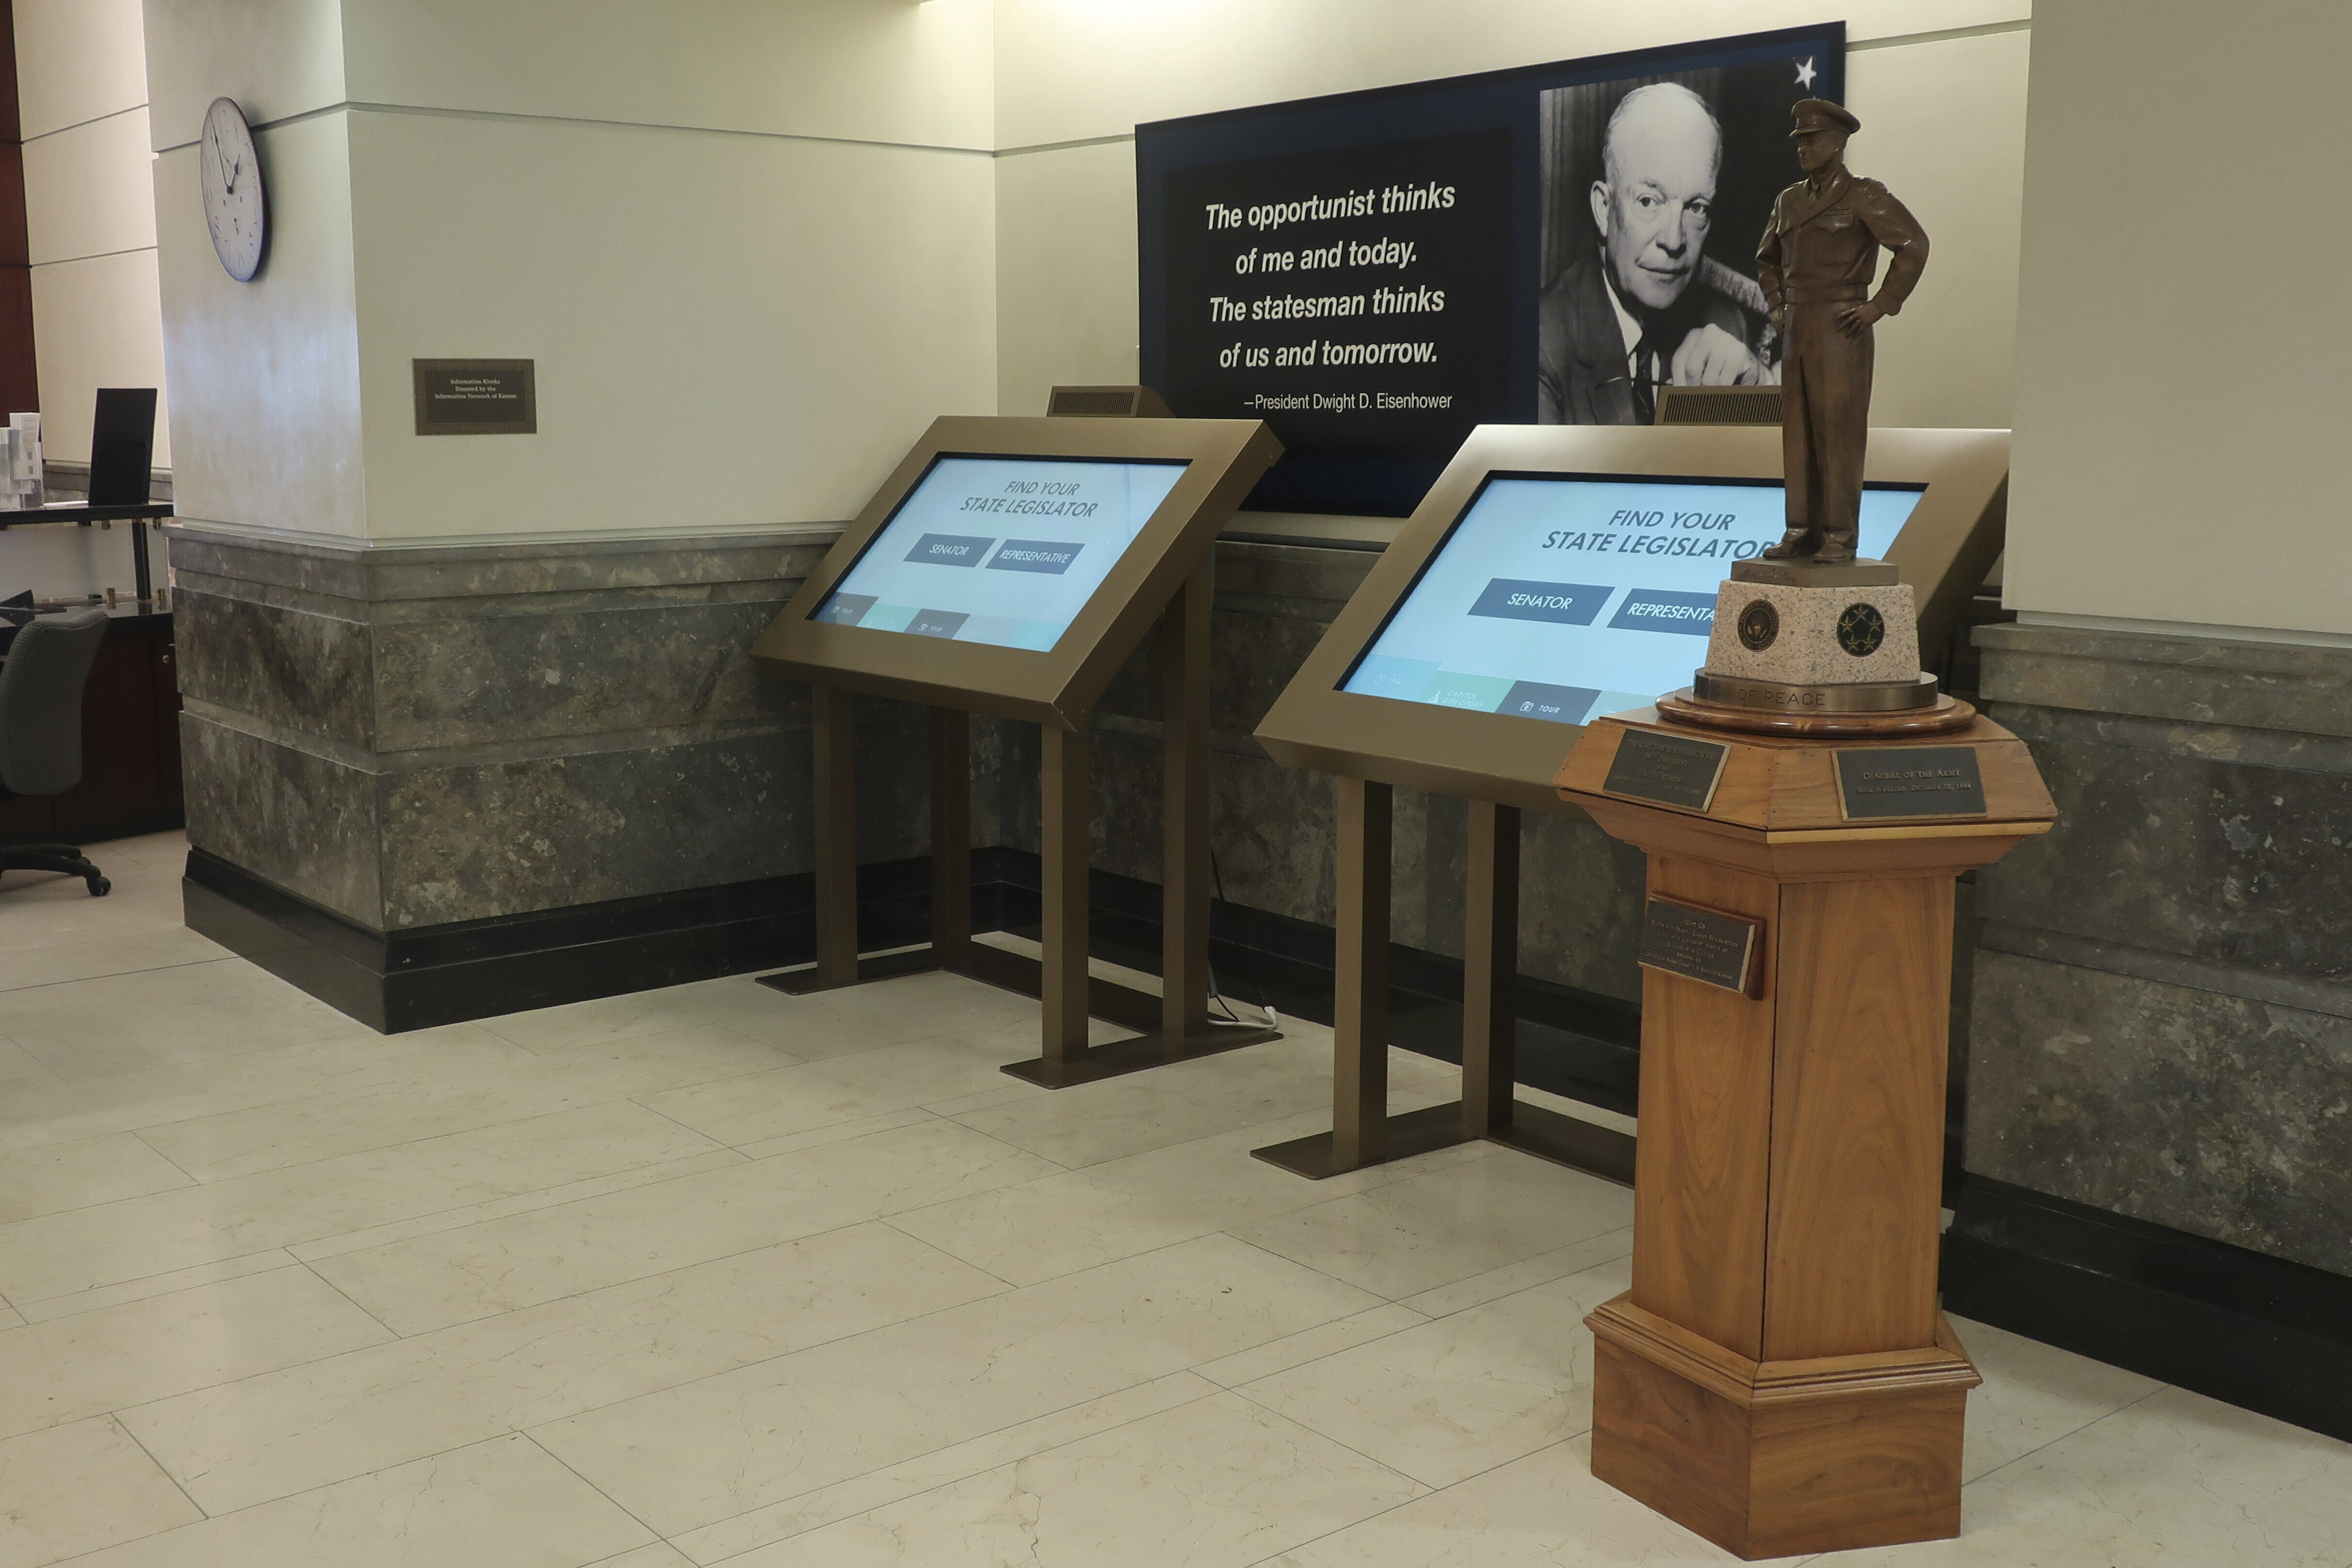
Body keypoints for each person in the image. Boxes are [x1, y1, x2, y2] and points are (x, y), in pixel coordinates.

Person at [1537, 82, 1773, 425]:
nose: (1674, 240)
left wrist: (1761, 389)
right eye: (1649, 201)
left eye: (1696, 207)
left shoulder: (1725, 326)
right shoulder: (1542, 343)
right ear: (1604, 209)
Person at [1756, 98, 1929, 563]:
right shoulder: (1788, 200)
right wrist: (1777, 306)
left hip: (1841, 324)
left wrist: (1880, 305)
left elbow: (1913, 246)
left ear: (1838, 142)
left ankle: (1838, 535)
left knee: (1839, 433)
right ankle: (1799, 530)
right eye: (1800, 141)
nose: (1803, 149)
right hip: (1797, 324)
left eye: (1812, 140)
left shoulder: (1864, 196)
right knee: (1798, 433)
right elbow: (1766, 260)